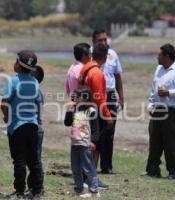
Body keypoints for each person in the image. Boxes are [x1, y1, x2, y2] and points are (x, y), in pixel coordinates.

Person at [143, 44, 175, 179]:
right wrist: (150, 104)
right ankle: (152, 170)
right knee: (154, 140)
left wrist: (169, 92)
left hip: (172, 112)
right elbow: (154, 89)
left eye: (159, 55)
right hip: (158, 110)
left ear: (167, 56)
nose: (157, 57)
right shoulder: (158, 69)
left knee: (171, 142)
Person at [1, 50, 44, 199]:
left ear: (18, 65)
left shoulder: (12, 81)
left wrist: (6, 116)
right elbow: (37, 103)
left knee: (19, 160)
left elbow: (4, 102)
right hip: (32, 125)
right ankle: (37, 190)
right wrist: (37, 119)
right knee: (33, 160)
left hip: (17, 126)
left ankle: (19, 191)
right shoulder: (35, 82)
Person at [92, 29, 124, 174]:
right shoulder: (89, 54)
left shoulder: (113, 54)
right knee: (95, 131)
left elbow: (117, 77)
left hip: (110, 96)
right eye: (100, 40)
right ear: (93, 41)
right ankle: (91, 165)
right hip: (95, 97)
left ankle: (107, 166)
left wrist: (121, 97)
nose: (104, 42)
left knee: (109, 131)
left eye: (105, 39)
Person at [64, 88, 101, 198]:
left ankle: (94, 190)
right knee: (75, 168)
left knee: (88, 168)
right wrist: (69, 111)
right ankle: (79, 189)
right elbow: (67, 123)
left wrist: (94, 141)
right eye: (74, 96)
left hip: (85, 144)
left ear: (85, 98)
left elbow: (95, 128)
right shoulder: (74, 109)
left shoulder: (91, 111)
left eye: (77, 96)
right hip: (75, 143)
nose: (74, 98)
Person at [26, 65, 45, 195]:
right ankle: (33, 186)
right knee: (32, 159)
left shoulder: (35, 90)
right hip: (33, 127)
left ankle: (37, 187)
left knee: (35, 160)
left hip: (35, 128)